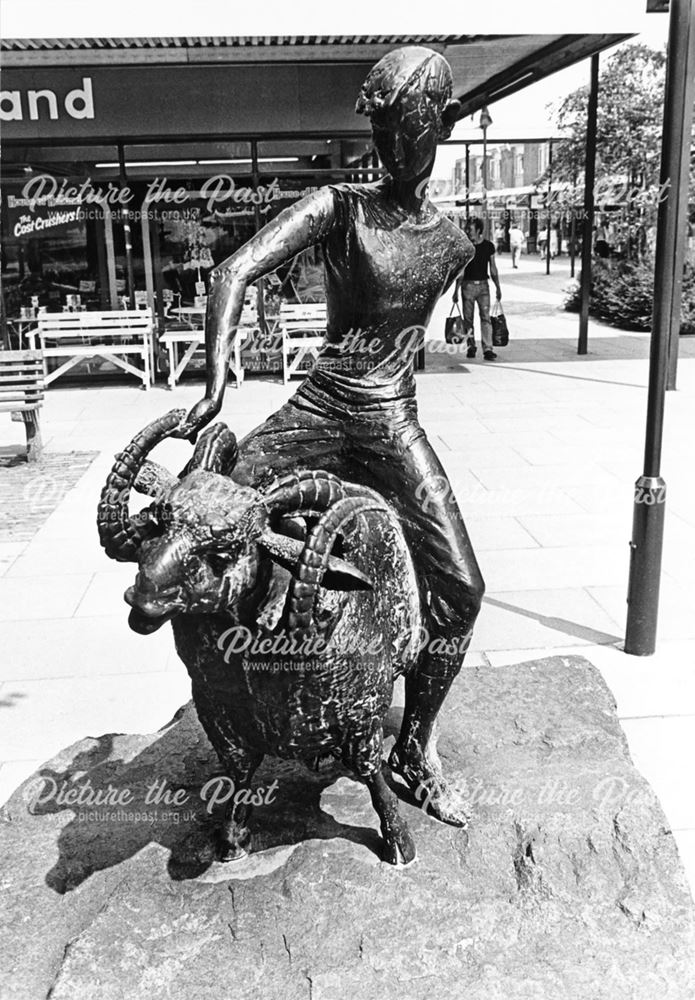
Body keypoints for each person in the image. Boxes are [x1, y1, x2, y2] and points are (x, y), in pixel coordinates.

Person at [175, 46, 485, 826]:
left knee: (461, 586)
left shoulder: (452, 243)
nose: (390, 148)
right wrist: (217, 378)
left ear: (441, 126)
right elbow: (233, 271)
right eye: (379, 131)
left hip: (389, 420)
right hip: (318, 409)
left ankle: (412, 745)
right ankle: (235, 702)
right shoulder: (339, 206)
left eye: (405, 131)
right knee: (201, 509)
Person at [453, 217, 502, 361]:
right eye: (467, 229)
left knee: (485, 318)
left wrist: (498, 287)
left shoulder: (488, 246)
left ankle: (488, 349)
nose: (467, 232)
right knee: (468, 319)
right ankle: (471, 346)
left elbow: (493, 269)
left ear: (479, 230)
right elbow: (461, 271)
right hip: (467, 286)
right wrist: (456, 290)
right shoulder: (465, 248)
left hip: (483, 287)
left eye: (470, 229)